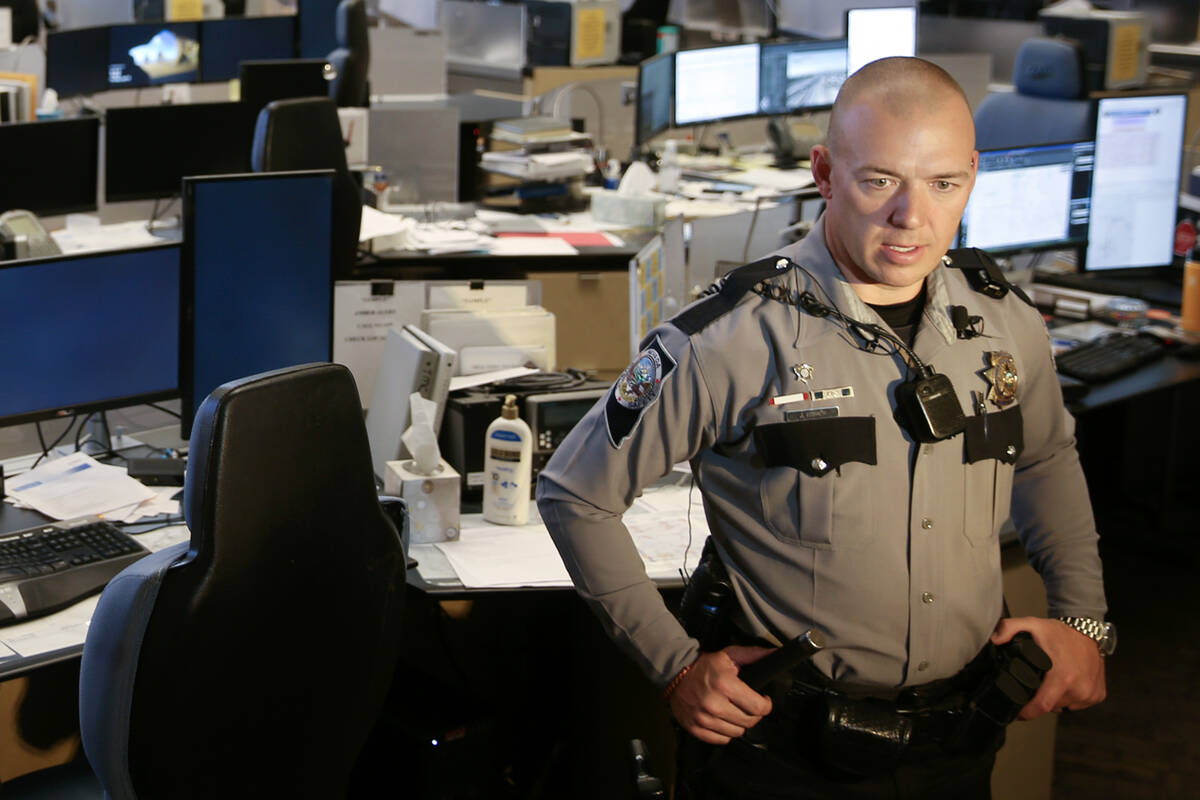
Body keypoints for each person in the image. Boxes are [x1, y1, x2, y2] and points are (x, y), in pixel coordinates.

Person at [536, 57, 1109, 799]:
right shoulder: (728, 338)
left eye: (943, 184)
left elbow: (1045, 459)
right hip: (781, 755)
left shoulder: (1002, 321)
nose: (913, 216)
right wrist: (675, 664)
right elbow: (575, 493)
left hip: (961, 743)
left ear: (972, 173)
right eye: (879, 181)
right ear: (825, 173)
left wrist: (1084, 623)